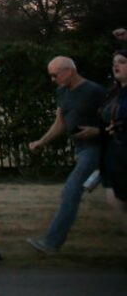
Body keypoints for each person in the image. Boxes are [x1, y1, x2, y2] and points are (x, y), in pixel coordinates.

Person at [26, 56, 108, 254]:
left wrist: (97, 131)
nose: (52, 79)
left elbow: (116, 120)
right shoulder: (61, 92)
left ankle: (51, 243)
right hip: (81, 149)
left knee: (71, 191)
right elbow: (60, 123)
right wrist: (41, 141)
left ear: (69, 71)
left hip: (97, 149)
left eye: (55, 75)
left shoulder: (95, 91)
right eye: (50, 75)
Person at [80, 50, 127, 233]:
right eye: (114, 62)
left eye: (122, 61)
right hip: (114, 153)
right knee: (115, 199)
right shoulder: (113, 93)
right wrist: (99, 130)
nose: (116, 65)